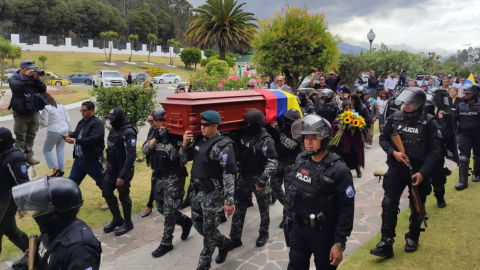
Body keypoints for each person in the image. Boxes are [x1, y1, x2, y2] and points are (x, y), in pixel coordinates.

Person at [371, 87, 441, 258]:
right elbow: (384, 138)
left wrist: (423, 173)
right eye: (405, 101)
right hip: (397, 167)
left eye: (410, 102)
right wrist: (393, 152)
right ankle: (386, 241)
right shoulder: (394, 118)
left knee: (417, 204)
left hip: (419, 169)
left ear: (419, 104)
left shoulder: (430, 122)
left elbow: (436, 151)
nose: (406, 104)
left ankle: (413, 237)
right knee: (389, 203)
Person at [285, 114, 354, 269]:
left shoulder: (339, 170)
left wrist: (339, 242)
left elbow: (347, 208)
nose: (308, 142)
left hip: (323, 233)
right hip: (298, 229)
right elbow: (293, 191)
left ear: (323, 140)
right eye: (305, 137)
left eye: (314, 138)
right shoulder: (301, 159)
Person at [179, 110, 237, 269]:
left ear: (215, 126)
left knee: (209, 233)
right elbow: (183, 160)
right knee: (198, 225)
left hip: (213, 194)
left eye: (205, 125)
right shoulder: (198, 140)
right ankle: (224, 243)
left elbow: (229, 174)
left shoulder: (224, 145)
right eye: (201, 124)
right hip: (197, 193)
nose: (202, 127)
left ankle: (203, 265)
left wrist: (229, 201)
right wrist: (184, 144)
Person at [11, 177, 101, 270]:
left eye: (40, 209)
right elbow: (39, 257)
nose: (35, 213)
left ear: (54, 213)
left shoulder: (80, 250)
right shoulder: (53, 230)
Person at [142, 109, 193, 258]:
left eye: (159, 122)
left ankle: (166, 242)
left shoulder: (177, 135)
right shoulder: (154, 133)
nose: (156, 125)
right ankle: (185, 222)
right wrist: (156, 139)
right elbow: (145, 150)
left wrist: (166, 142)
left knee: (170, 211)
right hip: (158, 176)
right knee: (161, 208)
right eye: (155, 122)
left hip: (174, 176)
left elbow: (180, 159)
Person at [230, 110, 278, 249]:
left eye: (250, 123)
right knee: (239, 208)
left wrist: (263, 179)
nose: (248, 125)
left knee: (264, 208)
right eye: (247, 122)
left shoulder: (265, 139)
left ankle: (264, 232)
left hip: (259, 177)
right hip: (243, 176)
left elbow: (273, 161)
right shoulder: (242, 133)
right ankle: (235, 238)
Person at [63, 101, 106, 209]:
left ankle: (109, 199)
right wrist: (69, 135)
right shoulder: (82, 121)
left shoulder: (97, 123)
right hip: (79, 160)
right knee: (71, 183)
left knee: (102, 181)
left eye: (84, 111)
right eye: (81, 110)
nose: (82, 113)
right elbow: (77, 134)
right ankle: (67, 203)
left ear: (92, 110)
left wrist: (75, 141)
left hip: (91, 160)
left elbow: (93, 139)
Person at [102, 108, 137, 236]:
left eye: (113, 118)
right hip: (112, 168)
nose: (110, 121)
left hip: (124, 170)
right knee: (106, 191)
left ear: (119, 118)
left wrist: (122, 175)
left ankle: (128, 223)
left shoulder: (129, 132)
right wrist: (108, 164)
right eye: (109, 118)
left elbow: (131, 156)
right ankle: (117, 219)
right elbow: (110, 148)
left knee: (123, 196)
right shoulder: (113, 129)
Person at [8, 60, 47, 165]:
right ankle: (19, 160)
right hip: (21, 112)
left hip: (33, 111)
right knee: (21, 136)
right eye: (30, 69)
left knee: (31, 135)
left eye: (33, 69)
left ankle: (29, 157)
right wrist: (26, 77)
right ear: (22, 68)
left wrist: (37, 80)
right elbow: (16, 87)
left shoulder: (33, 79)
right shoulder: (15, 78)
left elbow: (43, 90)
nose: (32, 71)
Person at [267, 109, 302, 222]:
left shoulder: (298, 131)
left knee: (289, 191)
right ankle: (289, 207)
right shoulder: (279, 124)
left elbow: (290, 145)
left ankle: (287, 214)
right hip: (278, 161)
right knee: (274, 186)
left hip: (290, 164)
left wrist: (278, 131)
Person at [0, 128, 29, 257]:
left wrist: (23, 206)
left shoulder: (14, 157)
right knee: (12, 232)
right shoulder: (2, 153)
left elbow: (22, 182)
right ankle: (33, 254)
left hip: (8, 200)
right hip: (1, 197)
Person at [424, 95, 450, 208]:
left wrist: (441, 119)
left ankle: (440, 199)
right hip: (420, 154)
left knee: (438, 179)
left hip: (435, 155)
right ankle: (420, 205)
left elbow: (443, 135)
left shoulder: (436, 122)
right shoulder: (414, 120)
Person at [454, 84, 480, 190]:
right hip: (464, 133)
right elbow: (455, 118)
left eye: (468, 93)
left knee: (478, 155)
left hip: (478, 133)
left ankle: (476, 173)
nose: (466, 95)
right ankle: (463, 182)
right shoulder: (460, 105)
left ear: (474, 94)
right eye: (465, 93)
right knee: (463, 157)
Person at [331, 101, 365, 178]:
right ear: (343, 109)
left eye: (350, 107)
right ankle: (342, 172)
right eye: (346, 108)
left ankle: (358, 170)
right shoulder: (341, 117)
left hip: (355, 141)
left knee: (355, 156)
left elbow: (361, 126)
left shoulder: (356, 116)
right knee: (343, 156)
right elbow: (334, 123)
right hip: (344, 141)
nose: (348, 109)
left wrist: (357, 125)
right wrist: (339, 126)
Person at [39, 93, 71, 177]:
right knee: (60, 151)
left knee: (46, 150)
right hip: (64, 129)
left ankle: (55, 168)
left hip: (54, 130)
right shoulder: (61, 106)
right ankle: (61, 170)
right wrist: (70, 130)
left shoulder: (46, 108)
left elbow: (44, 123)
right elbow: (67, 119)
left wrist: (38, 116)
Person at [141, 111, 159, 218]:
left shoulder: (161, 130)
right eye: (149, 121)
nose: (151, 124)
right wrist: (148, 159)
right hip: (154, 160)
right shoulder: (152, 129)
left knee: (155, 184)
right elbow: (147, 144)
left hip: (162, 162)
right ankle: (150, 205)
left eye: (152, 121)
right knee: (154, 182)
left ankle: (149, 205)